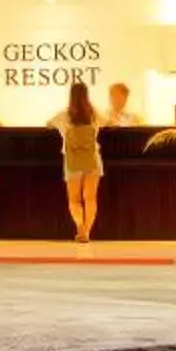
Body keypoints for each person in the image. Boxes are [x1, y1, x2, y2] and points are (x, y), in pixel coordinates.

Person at [47, 82, 104, 242]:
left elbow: (48, 123)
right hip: (92, 159)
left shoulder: (64, 115)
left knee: (74, 199)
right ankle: (87, 231)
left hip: (72, 161)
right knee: (91, 199)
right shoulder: (94, 115)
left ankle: (79, 226)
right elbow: (108, 122)